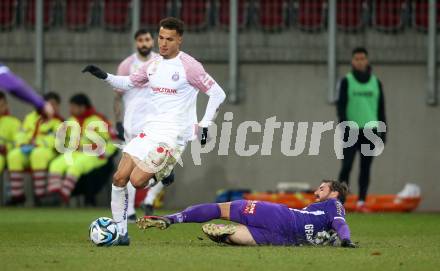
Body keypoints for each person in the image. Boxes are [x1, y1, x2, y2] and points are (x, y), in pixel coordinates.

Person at [83, 17, 226, 246]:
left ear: (179, 39)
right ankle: (122, 234)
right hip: (150, 130)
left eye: (169, 39)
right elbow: (129, 82)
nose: (163, 43)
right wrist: (104, 76)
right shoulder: (153, 65)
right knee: (119, 178)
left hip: (174, 136)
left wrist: (206, 124)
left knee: (138, 181)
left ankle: (162, 174)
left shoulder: (190, 66)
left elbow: (218, 94)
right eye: (161, 37)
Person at [136, 180, 356, 248]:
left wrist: (346, 239)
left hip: (277, 217)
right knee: (230, 234)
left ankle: (172, 218)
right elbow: (336, 229)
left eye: (322, 188)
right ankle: (228, 235)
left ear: (334, 193)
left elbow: (340, 223)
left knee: (219, 210)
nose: (317, 191)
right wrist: (341, 240)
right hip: (281, 240)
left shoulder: (334, 205)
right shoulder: (317, 212)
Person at [113, 29, 170, 221]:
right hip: (134, 124)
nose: (144, 43)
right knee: (130, 167)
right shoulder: (127, 65)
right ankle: (128, 212)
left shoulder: (162, 62)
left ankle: (150, 199)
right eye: (140, 40)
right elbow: (118, 97)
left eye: (147, 39)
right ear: (136, 42)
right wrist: (118, 122)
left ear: (151, 41)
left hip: (157, 123)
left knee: (164, 163)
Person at [337, 47, 387, 213]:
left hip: (370, 131)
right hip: (351, 130)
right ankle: (339, 202)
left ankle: (361, 201)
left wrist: (383, 132)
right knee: (347, 166)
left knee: (365, 168)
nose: (359, 61)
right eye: (356, 59)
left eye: (362, 58)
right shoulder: (347, 81)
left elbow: (381, 109)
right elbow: (341, 106)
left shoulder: (376, 82)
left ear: (367, 60)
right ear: (352, 61)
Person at [45, 93, 116, 204]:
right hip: (75, 152)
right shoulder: (70, 120)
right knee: (55, 164)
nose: (70, 109)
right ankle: (54, 196)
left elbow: (111, 140)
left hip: (95, 154)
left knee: (76, 166)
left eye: (73, 106)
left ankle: (64, 195)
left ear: (82, 107)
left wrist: (105, 153)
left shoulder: (98, 119)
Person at [6, 92, 63, 205]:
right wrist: (22, 143)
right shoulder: (30, 117)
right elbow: (21, 132)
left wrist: (37, 143)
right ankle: (17, 196)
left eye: (54, 105)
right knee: (14, 155)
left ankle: (40, 195)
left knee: (38, 154)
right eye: (49, 104)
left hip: (47, 151)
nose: (52, 107)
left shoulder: (59, 121)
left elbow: (55, 139)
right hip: (27, 148)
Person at [0, 92, 21, 178]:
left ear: (6, 106)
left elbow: (18, 144)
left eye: (1, 105)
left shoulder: (13, 122)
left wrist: (5, 148)